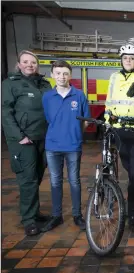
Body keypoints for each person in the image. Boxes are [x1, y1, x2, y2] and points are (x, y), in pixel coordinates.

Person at [104, 37, 134, 230]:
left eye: (131, 58)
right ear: (121, 60)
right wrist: (108, 123)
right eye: (125, 58)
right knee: (127, 172)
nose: (128, 61)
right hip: (118, 132)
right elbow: (109, 103)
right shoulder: (114, 78)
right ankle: (133, 206)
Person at [1, 50, 52, 236]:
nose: (30, 65)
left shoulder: (44, 84)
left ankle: (34, 212)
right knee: (27, 179)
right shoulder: (9, 85)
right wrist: (19, 136)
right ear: (19, 64)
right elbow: (5, 113)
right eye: (26, 62)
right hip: (24, 141)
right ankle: (28, 220)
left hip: (43, 138)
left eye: (33, 62)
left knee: (37, 176)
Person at [41, 60, 91, 232]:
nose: (61, 76)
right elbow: (48, 119)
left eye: (65, 73)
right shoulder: (47, 97)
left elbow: (85, 121)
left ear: (70, 75)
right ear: (52, 75)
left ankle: (77, 215)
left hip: (72, 146)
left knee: (74, 181)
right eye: (58, 73)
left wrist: (74, 134)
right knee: (55, 182)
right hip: (52, 146)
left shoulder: (79, 95)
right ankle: (57, 216)